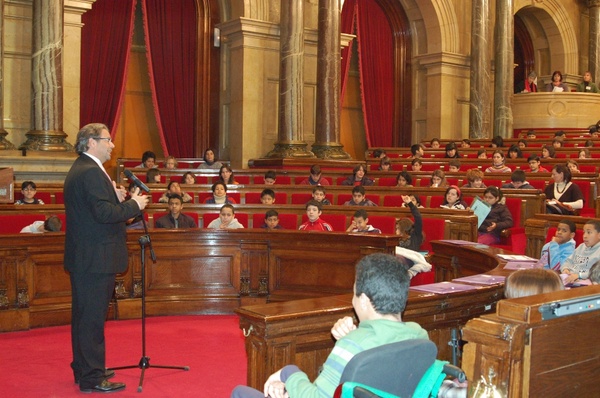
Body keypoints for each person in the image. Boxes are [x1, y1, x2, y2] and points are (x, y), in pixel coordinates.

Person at [230, 253, 428, 398]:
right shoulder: (419, 335)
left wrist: (288, 373)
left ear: (365, 300)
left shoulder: (352, 345)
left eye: (354, 294)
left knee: (240, 393)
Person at [64, 123, 148, 393]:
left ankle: (85, 369)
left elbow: (98, 209)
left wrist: (118, 199)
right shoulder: (89, 172)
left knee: (84, 317)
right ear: (91, 142)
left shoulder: (85, 168)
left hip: (88, 257)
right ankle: (92, 377)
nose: (112, 145)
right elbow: (102, 215)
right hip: (95, 258)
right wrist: (134, 205)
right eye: (108, 140)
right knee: (91, 320)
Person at [561, 220, 600, 284]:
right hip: (570, 277)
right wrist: (565, 269)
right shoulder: (581, 246)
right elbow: (568, 261)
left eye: (589, 232)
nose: (584, 236)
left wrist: (579, 275)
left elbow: (597, 274)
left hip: (587, 281)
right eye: (584, 232)